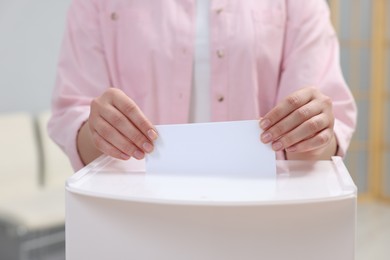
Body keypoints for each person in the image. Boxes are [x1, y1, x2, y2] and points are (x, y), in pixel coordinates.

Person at [48, 0, 357, 171]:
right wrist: (99, 130)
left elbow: (321, 139)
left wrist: (314, 130)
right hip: (138, 216)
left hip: (263, 221)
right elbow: (74, 114)